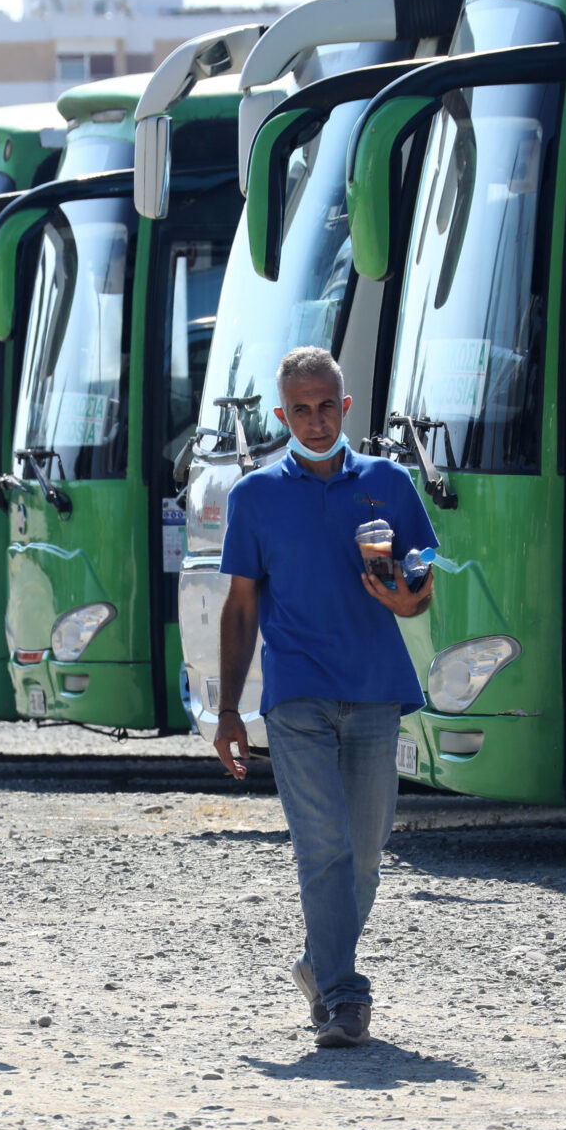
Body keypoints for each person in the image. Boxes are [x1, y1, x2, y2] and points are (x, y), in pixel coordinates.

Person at [214, 346, 435, 1048]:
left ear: (346, 407)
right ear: (282, 414)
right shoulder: (253, 496)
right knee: (323, 846)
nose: (314, 420)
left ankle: (320, 964)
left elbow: (422, 589)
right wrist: (226, 710)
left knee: (365, 852)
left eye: (327, 406)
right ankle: (345, 996)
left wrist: (405, 598)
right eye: (300, 410)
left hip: (375, 690)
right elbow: (241, 608)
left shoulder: (391, 483)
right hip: (296, 695)